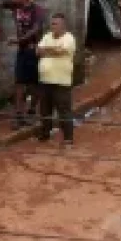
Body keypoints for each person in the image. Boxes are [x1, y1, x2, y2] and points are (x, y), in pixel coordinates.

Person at [35, 11, 77, 147]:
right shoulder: (47, 36)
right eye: (52, 24)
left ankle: (68, 139)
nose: (53, 26)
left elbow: (61, 50)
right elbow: (38, 51)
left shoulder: (69, 38)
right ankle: (45, 133)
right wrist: (52, 50)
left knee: (64, 111)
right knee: (44, 110)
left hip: (61, 82)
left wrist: (47, 50)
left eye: (56, 24)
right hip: (45, 80)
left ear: (63, 25)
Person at [5, 0, 46, 122]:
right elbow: (2, 3)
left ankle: (32, 109)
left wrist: (19, 40)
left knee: (35, 84)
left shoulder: (37, 10)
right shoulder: (15, 8)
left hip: (34, 50)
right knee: (19, 82)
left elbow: (36, 29)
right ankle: (19, 115)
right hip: (22, 50)